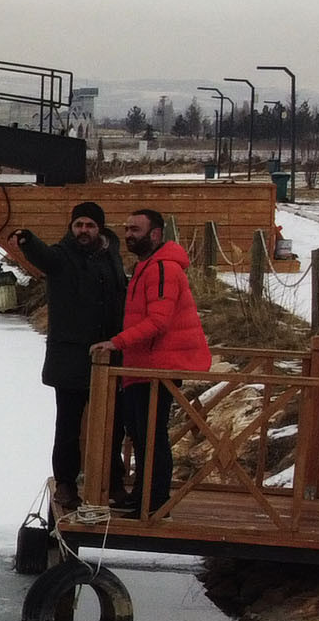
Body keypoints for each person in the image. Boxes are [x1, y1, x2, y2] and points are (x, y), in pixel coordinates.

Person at [91, 208, 214, 511]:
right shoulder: (148, 266)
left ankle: (154, 501)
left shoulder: (162, 269)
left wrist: (116, 342)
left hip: (157, 366)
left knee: (150, 435)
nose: (128, 235)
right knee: (140, 432)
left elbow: (158, 321)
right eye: (127, 228)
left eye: (135, 229)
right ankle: (143, 496)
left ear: (156, 233)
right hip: (142, 365)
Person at [11, 201, 125, 512]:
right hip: (71, 359)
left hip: (108, 358)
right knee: (69, 427)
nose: (83, 231)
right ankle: (65, 484)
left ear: (99, 228)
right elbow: (43, 257)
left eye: (89, 225)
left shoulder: (111, 257)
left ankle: (114, 482)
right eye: (78, 225)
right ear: (71, 228)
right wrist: (27, 241)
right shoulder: (62, 257)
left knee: (113, 425)